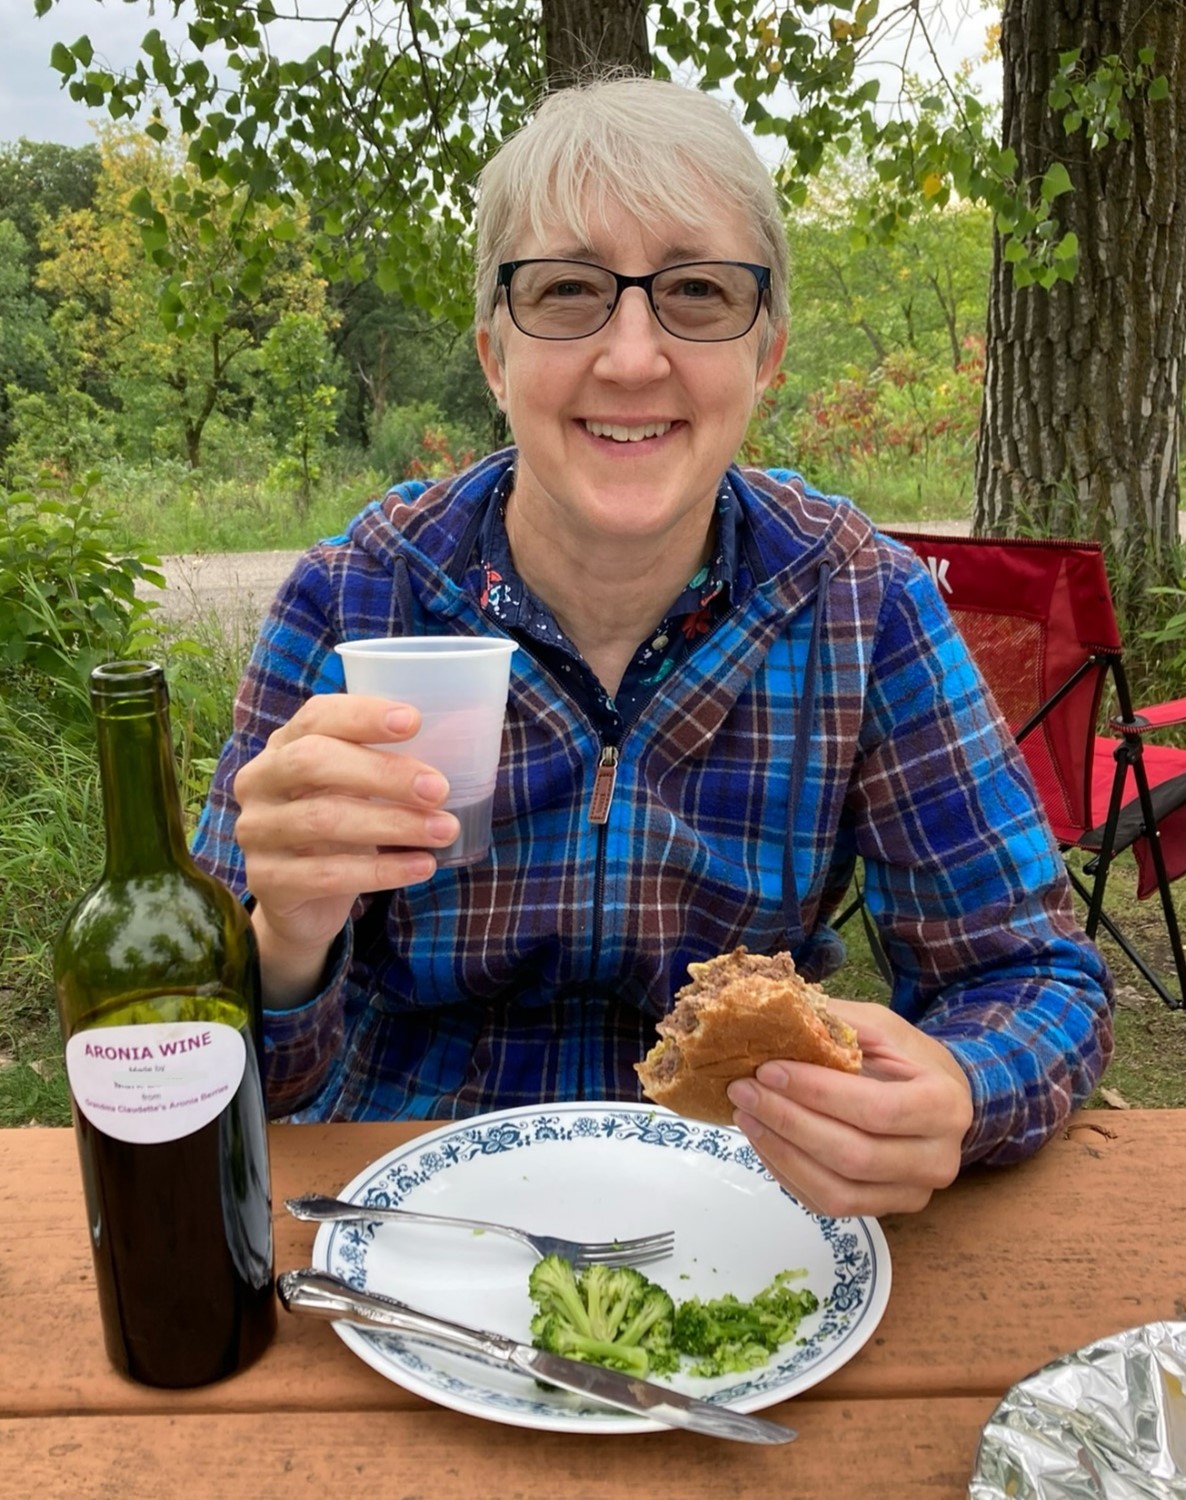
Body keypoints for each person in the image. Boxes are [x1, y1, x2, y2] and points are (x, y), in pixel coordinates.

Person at [192, 73, 1114, 1218]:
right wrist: (285, 940)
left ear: (765, 354)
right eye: (570, 290)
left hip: (745, 1198)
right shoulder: (355, 598)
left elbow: (1029, 973)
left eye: (694, 291)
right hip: (396, 1195)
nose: (632, 358)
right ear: (493, 353)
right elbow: (214, 1073)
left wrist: (962, 1089)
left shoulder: (859, 605)